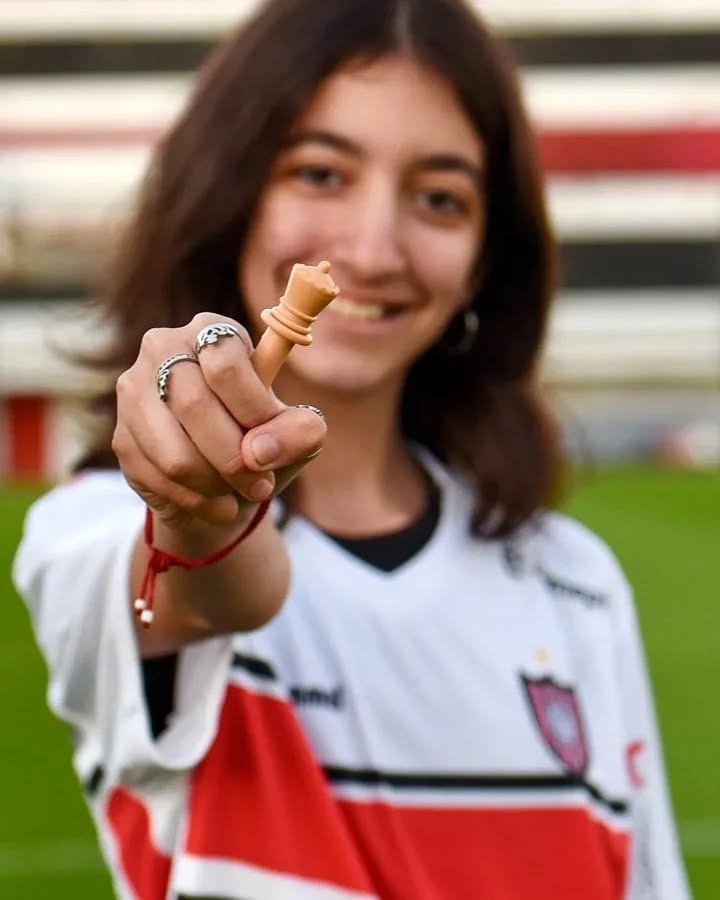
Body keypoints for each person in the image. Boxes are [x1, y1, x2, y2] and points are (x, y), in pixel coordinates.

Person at [13, 0, 689, 897]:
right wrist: (201, 509)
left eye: (439, 198)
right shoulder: (89, 535)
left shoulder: (578, 584)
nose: (370, 250)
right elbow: (210, 584)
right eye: (321, 173)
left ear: (486, 258)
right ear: (229, 195)